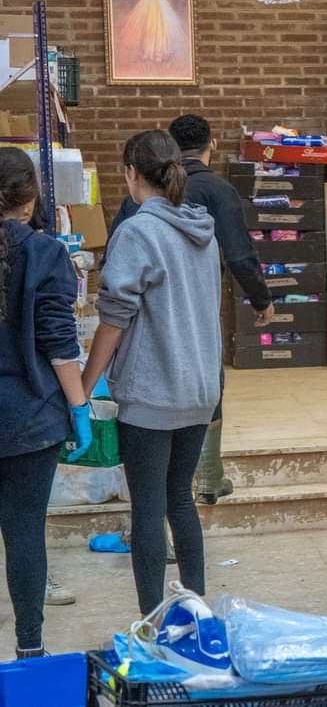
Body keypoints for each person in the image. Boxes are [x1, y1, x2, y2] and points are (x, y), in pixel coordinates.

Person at [81, 130, 222, 615]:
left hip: (152, 393)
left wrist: (84, 386)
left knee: (148, 508)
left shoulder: (137, 231)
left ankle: (151, 624)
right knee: (179, 499)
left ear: (131, 174)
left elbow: (114, 320)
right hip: (200, 389)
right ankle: (196, 616)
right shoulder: (202, 230)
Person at [108, 114, 273, 505]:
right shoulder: (217, 190)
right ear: (211, 144)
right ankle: (209, 478)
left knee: (150, 441)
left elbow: (114, 255)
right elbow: (239, 253)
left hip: (146, 325)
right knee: (206, 388)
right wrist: (261, 299)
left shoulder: (140, 198)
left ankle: (160, 501)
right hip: (197, 316)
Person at [0, 148, 91, 657]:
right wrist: (79, 408)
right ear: (32, 197)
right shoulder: (46, 253)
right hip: (29, 418)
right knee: (24, 532)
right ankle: (30, 650)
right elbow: (59, 342)